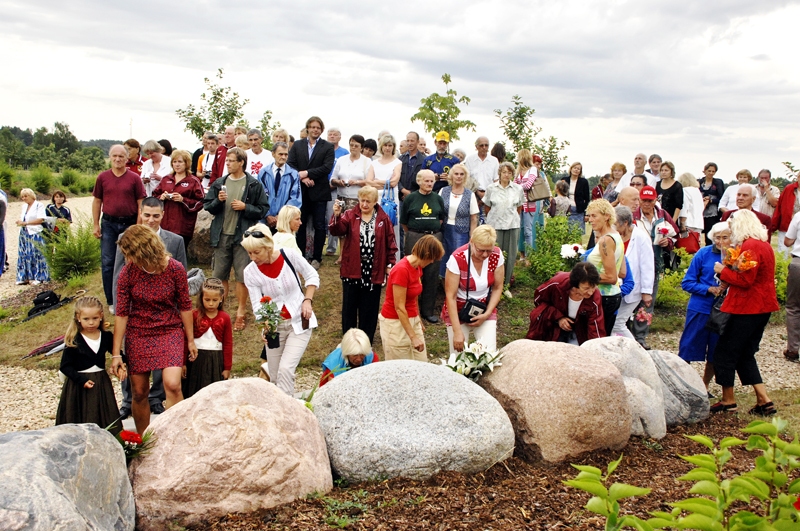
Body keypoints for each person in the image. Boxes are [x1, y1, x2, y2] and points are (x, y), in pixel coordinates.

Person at [111, 225, 196, 434]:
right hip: (138, 332)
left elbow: (185, 306)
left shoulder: (175, 269)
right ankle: (144, 440)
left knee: (173, 384)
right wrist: (115, 354)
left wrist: (191, 340)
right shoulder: (128, 273)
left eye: (129, 254)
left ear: (142, 251)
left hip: (169, 329)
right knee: (139, 392)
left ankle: (177, 435)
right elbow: (121, 314)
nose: (127, 258)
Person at [710, 210, 779, 416]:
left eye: (731, 227)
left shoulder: (750, 246)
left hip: (747, 306)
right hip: (763, 305)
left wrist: (723, 270)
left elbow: (745, 280)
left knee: (725, 352)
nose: (730, 231)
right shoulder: (765, 245)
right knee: (746, 353)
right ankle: (764, 400)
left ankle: (728, 399)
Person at [241, 224, 319, 395]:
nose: (253, 257)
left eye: (257, 252)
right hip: (275, 329)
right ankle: (282, 405)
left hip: (299, 323)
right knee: (276, 376)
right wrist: (264, 325)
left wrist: (307, 300)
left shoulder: (289, 255)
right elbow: (256, 304)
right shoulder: (250, 272)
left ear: (268, 246)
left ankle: (289, 414)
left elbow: (311, 275)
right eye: (249, 253)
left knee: (285, 370)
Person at [203, 147, 270, 332]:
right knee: (220, 275)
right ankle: (220, 311)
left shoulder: (253, 184)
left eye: (231, 161)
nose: (228, 164)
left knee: (242, 276)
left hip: (242, 237)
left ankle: (241, 312)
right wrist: (218, 200)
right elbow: (208, 206)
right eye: (227, 161)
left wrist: (245, 207)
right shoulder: (219, 183)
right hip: (221, 235)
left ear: (241, 162)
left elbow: (263, 209)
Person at [329, 185, 398, 344]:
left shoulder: (383, 218)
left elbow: (390, 244)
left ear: (375, 202)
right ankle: (349, 341)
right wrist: (337, 215)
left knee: (370, 308)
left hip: (374, 270)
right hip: (352, 268)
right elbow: (336, 230)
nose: (364, 204)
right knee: (349, 308)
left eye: (368, 201)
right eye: (362, 200)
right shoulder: (349, 215)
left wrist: (389, 264)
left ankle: (366, 341)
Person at [55, 296, 121, 436]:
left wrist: (121, 365)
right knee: (79, 418)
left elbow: (117, 354)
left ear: (101, 316)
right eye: (86, 319)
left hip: (101, 383)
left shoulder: (106, 336)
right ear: (78, 317)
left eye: (95, 318)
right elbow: (65, 366)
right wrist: (81, 380)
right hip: (78, 386)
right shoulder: (75, 339)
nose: (91, 323)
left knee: (105, 415)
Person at [678, 222, 731, 392]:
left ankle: (704, 386)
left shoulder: (736, 255)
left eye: (724, 237)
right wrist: (707, 288)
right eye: (717, 237)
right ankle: (681, 384)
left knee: (716, 352)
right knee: (688, 347)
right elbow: (687, 283)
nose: (720, 241)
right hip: (700, 307)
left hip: (723, 310)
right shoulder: (703, 253)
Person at [93, 145, 146, 309]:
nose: (117, 159)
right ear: (110, 157)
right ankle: (111, 300)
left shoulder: (134, 178)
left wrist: (138, 226)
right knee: (108, 262)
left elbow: (140, 203)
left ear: (126, 158)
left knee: (131, 262)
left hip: (129, 223)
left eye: (121, 156)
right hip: (108, 223)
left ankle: (132, 297)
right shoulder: (102, 178)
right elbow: (97, 201)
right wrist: (95, 224)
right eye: (114, 156)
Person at [379, 234, 444, 360]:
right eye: (432, 258)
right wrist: (413, 336)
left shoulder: (417, 267)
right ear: (426, 254)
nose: (431, 262)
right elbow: (399, 307)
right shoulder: (401, 270)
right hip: (395, 324)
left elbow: (414, 296)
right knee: (401, 369)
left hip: (411, 319)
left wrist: (417, 319)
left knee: (422, 363)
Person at [442, 225, 505, 353]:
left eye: (489, 250)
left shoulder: (497, 255)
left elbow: (498, 287)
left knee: (488, 354)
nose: (485, 254)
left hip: (484, 307)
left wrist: (487, 313)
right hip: (459, 307)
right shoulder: (458, 258)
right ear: (472, 242)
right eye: (481, 250)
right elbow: (451, 296)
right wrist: (457, 331)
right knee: (459, 355)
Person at [631, 185, 680, 349]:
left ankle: (640, 337)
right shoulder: (633, 216)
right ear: (639, 200)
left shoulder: (663, 215)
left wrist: (668, 242)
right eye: (643, 200)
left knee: (647, 302)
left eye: (649, 200)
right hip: (635, 263)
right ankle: (626, 333)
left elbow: (675, 236)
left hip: (654, 263)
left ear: (655, 200)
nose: (646, 204)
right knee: (630, 299)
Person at [287, 116, 336, 270]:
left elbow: (327, 167)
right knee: (299, 224)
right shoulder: (298, 145)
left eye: (318, 127)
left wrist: (307, 173)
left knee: (319, 225)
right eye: (312, 127)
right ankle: (301, 255)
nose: (315, 129)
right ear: (307, 128)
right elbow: (290, 164)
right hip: (301, 191)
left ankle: (316, 257)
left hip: (319, 191)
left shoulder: (327, 146)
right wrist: (302, 178)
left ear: (321, 130)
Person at [400, 170, 446, 323]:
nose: (429, 184)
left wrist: (431, 234)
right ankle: (411, 309)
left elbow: (441, 219)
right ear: (419, 181)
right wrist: (416, 234)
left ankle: (428, 311)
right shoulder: (410, 198)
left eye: (432, 181)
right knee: (412, 272)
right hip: (414, 236)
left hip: (434, 236)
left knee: (432, 274)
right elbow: (404, 221)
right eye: (426, 181)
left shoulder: (438, 199)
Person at [526, 262, 604, 345]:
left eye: (593, 287)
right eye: (586, 288)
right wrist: (558, 317)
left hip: (579, 329)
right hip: (552, 326)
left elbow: (596, 326)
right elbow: (540, 303)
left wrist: (595, 348)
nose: (590, 292)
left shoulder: (595, 297)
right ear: (575, 284)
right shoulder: (557, 284)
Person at [182, 278, 232, 399]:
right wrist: (183, 363)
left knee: (214, 393)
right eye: (207, 300)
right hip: (195, 360)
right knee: (194, 391)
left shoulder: (225, 318)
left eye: (215, 300)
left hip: (216, 360)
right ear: (201, 298)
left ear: (221, 299)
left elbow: (228, 343)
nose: (210, 303)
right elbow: (185, 340)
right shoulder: (194, 315)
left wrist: (227, 367)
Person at [611, 206, 654, 339]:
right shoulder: (614, 236)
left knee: (618, 323)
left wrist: (646, 292)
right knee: (614, 322)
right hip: (616, 287)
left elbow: (647, 265)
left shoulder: (641, 237)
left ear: (625, 223)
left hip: (633, 287)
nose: (614, 227)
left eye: (616, 224)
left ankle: (635, 351)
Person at [585, 199, 626, 335]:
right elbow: (622, 272)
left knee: (597, 338)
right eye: (589, 216)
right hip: (612, 295)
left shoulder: (606, 240)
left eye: (594, 216)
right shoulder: (616, 236)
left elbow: (611, 277)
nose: (590, 220)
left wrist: (582, 278)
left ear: (607, 216)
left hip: (604, 296)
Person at [483, 162, 524, 294]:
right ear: (499, 173)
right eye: (504, 172)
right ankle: (492, 284)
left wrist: (510, 218)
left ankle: (505, 286)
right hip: (495, 225)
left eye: (509, 172)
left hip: (512, 225)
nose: (506, 175)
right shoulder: (491, 188)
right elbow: (487, 207)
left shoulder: (518, 189)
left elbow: (519, 207)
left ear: (513, 174)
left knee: (510, 255)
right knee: (494, 254)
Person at [152, 149, 205, 250]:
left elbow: (200, 201)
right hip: (164, 224)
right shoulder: (166, 179)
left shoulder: (193, 181)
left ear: (186, 163)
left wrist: (183, 200)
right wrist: (161, 197)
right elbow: (154, 196)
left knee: (178, 256)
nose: (177, 164)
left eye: (180, 162)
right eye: (174, 162)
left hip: (182, 226)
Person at [439, 163, 479, 278]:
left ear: (465, 177)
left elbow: (473, 218)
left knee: (458, 258)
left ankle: (458, 285)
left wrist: (472, 236)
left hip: (461, 232)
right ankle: (444, 284)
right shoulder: (443, 191)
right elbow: (439, 212)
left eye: (462, 174)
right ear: (451, 176)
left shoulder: (469, 194)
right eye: (456, 174)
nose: (459, 176)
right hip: (444, 230)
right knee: (444, 257)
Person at [366, 134, 403, 258]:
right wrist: (385, 182)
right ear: (381, 146)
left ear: (393, 147)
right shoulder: (374, 163)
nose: (387, 148)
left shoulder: (397, 162)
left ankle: (392, 259)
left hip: (391, 199)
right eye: (385, 145)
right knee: (375, 227)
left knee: (391, 228)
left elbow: (393, 182)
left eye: (390, 145)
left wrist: (377, 182)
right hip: (375, 197)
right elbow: (368, 181)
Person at [258, 142, 301, 231]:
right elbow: (259, 196)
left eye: (286, 154)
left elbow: (295, 198)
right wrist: (267, 215)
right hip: (265, 221)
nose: (283, 157)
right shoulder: (263, 173)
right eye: (280, 154)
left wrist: (281, 216)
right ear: (273, 154)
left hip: (285, 222)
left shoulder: (293, 174)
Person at [15, 188, 50, 285]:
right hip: (24, 232)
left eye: (26, 196)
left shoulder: (39, 205)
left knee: (36, 254)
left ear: (31, 196)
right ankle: (24, 276)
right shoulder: (24, 206)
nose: (24, 198)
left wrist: (26, 223)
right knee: (24, 254)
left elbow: (41, 219)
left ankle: (39, 276)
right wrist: (21, 222)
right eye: (22, 196)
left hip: (35, 232)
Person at [512, 149, 539, 258]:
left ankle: (529, 256)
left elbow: (528, 185)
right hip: (519, 204)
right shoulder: (518, 171)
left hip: (529, 204)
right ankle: (520, 254)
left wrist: (517, 186)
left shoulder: (533, 169)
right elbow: (514, 183)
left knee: (528, 231)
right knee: (518, 230)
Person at [464, 136, 499, 211]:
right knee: (474, 219)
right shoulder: (470, 159)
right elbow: (467, 179)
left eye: (486, 145)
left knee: (488, 221)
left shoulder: (494, 161)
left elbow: (496, 180)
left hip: (490, 195)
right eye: (481, 145)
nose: (484, 147)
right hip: (473, 195)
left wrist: (487, 195)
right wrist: (477, 193)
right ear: (476, 147)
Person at [783, 211, 800, 362]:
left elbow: (787, 241)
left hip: (798, 263)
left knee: (794, 307)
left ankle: (793, 349)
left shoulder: (799, 215)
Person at [771, 171, 799, 255]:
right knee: (783, 251)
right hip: (786, 224)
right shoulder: (789, 189)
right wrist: (774, 224)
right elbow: (780, 206)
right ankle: (781, 267)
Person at [698, 162, 725, 246]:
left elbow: (722, 198)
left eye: (713, 171)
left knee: (710, 235)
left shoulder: (718, 182)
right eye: (709, 171)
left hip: (712, 212)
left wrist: (711, 200)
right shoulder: (699, 182)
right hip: (701, 211)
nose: (711, 173)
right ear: (705, 171)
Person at [561, 162, 590, 230]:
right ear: (571, 169)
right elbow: (559, 194)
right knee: (566, 232)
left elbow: (587, 198)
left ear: (580, 171)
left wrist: (585, 213)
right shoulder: (564, 180)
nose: (576, 170)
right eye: (575, 168)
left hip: (578, 210)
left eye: (578, 169)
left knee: (578, 233)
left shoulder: (583, 182)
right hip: (566, 209)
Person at [677, 172, 704, 240]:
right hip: (698, 223)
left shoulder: (684, 191)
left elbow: (684, 208)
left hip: (688, 223)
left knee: (686, 247)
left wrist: (682, 224)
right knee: (696, 245)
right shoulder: (697, 191)